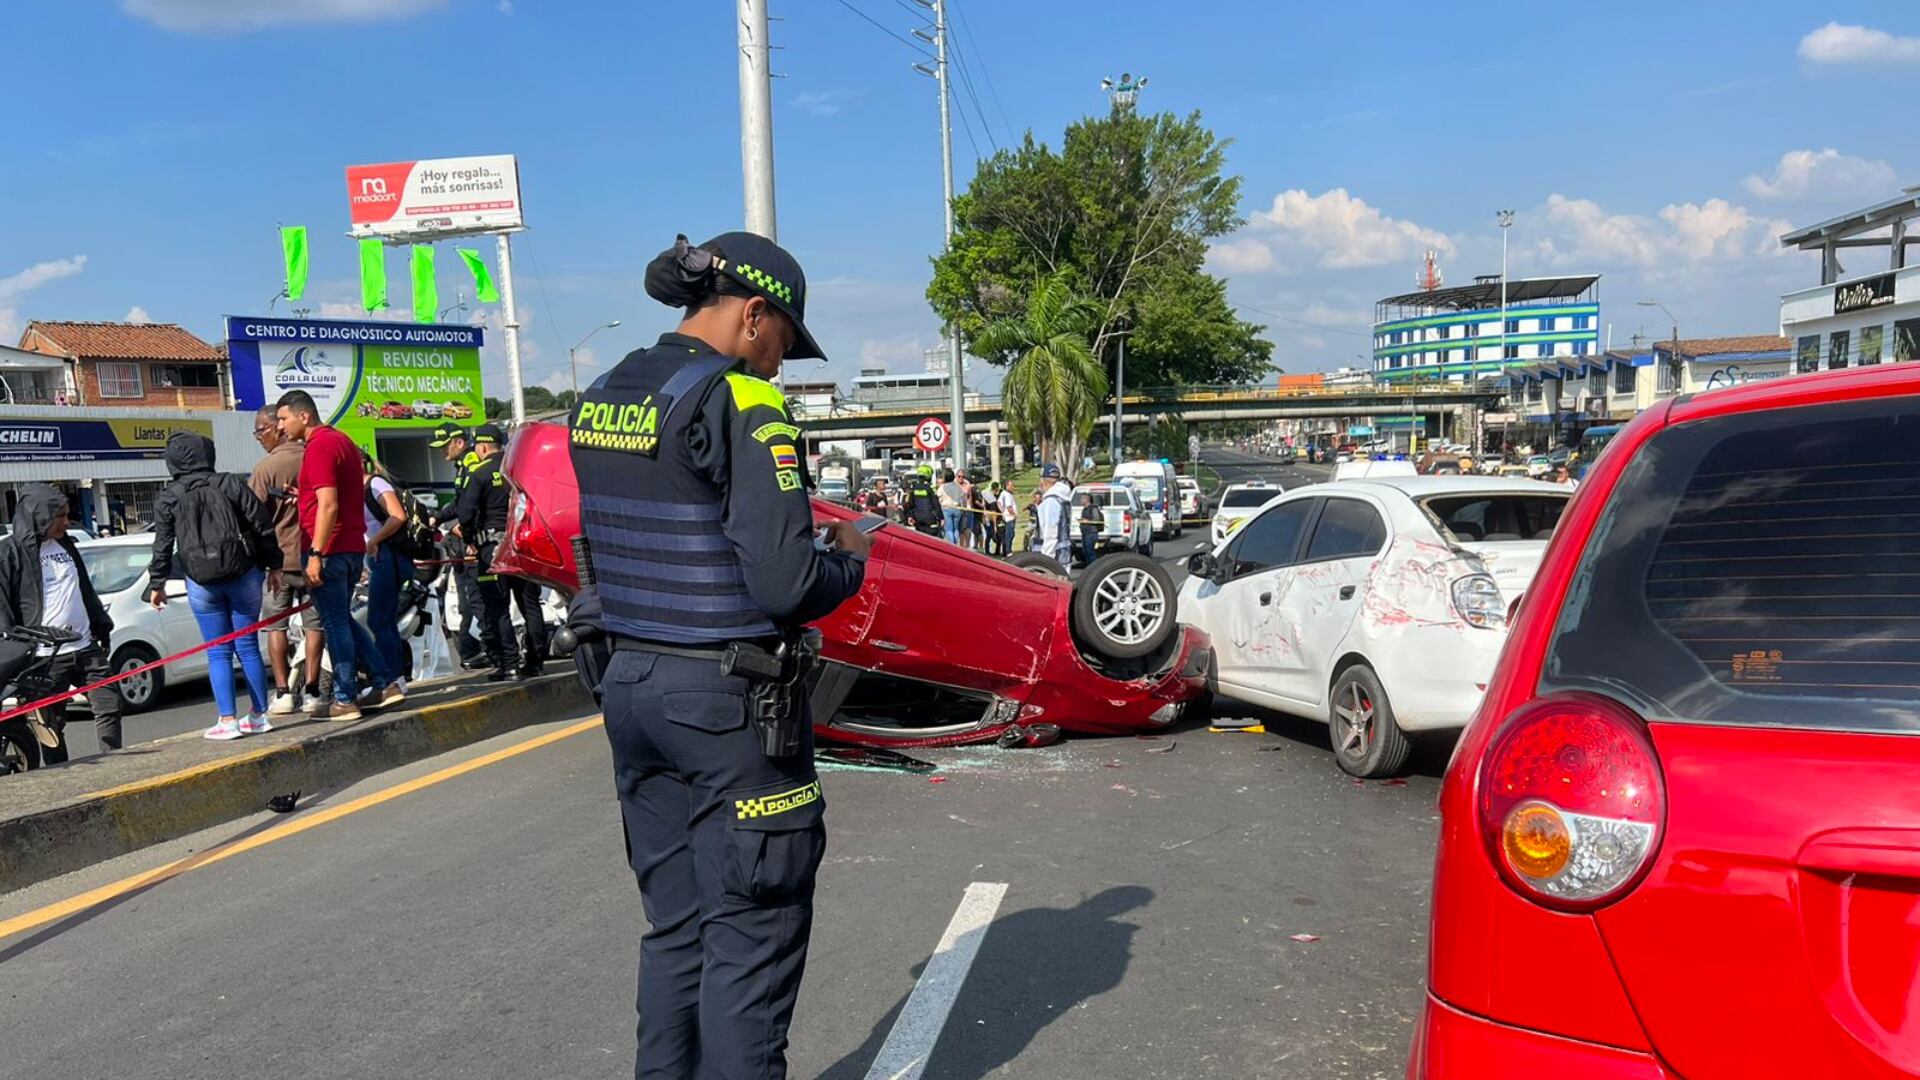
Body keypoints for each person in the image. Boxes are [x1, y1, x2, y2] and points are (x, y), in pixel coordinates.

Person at [570, 231, 869, 1080]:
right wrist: (851, 556)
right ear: (753, 314)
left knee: (678, 930)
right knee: (751, 938)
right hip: (728, 705)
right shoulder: (742, 401)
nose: (780, 365)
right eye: (781, 343)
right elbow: (784, 582)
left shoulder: (604, 393)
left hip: (630, 688)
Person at [276, 389, 405, 720]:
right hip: (350, 546)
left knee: (335, 624)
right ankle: (385, 682)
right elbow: (331, 497)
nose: (280, 427)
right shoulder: (343, 441)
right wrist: (303, 498)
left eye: (282, 418)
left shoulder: (318, 446)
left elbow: (329, 504)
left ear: (303, 416)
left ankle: (345, 697)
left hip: (329, 549)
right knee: (341, 619)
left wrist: (316, 552)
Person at [146, 431, 278, 740]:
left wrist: (158, 583)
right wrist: (274, 565)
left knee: (218, 652)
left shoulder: (169, 497)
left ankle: (227, 720)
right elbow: (261, 525)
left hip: (201, 581)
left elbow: (162, 545)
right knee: (248, 647)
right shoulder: (230, 483)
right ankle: (259, 715)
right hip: (243, 574)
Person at [0, 486, 120, 765]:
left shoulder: (66, 544)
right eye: (61, 516)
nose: (67, 522)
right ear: (41, 517)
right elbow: (3, 607)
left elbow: (84, 589)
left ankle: (116, 763)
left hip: (84, 645)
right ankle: (60, 774)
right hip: (45, 657)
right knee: (51, 725)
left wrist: (101, 624)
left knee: (109, 705)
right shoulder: (9, 553)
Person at [249, 405, 325, 714]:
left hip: (278, 564)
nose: (258, 438)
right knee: (315, 625)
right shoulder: (312, 456)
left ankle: (282, 693)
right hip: (312, 557)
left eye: (260, 431)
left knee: (275, 626)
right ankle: (312, 690)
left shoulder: (266, 468)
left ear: (274, 428)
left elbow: (252, 516)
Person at [452, 423, 541, 679]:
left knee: (497, 607)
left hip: (492, 548)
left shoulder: (479, 473)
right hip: (524, 545)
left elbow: (465, 514)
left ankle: (510, 664)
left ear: (481, 446)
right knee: (529, 603)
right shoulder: (519, 469)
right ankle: (536, 660)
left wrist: (470, 538)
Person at [428, 423, 486, 670]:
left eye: (445, 446)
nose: (442, 452)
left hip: (475, 543)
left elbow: (472, 504)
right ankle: (478, 651)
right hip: (464, 543)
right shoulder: (463, 465)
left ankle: (489, 649)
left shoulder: (472, 464)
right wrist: (439, 518)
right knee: (466, 602)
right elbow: (460, 503)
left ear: (459, 442)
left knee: (476, 601)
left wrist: (463, 528)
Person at [362, 453, 416, 686]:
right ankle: (396, 676)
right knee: (384, 620)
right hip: (378, 558)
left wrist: (375, 541)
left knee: (379, 620)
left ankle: (390, 678)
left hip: (388, 556)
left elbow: (397, 516)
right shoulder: (356, 489)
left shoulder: (375, 483)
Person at [1036, 463, 1074, 565]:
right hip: (1064, 554)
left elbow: (1050, 531)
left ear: (1043, 481)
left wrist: (1046, 561)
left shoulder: (1051, 501)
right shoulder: (1063, 498)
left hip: (1054, 556)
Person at [905, 466, 941, 535]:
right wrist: (941, 517)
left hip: (918, 520)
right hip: (931, 520)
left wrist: (910, 516)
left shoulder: (914, 487)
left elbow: (910, 504)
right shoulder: (931, 488)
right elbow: (936, 504)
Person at [937, 468, 964, 545]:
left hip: (946, 508)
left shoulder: (942, 487)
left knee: (949, 529)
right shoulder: (957, 486)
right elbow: (961, 496)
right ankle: (956, 544)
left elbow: (938, 496)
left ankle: (952, 545)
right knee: (956, 529)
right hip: (957, 508)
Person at [1078, 487, 1104, 567]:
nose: (1080, 500)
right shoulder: (1084, 509)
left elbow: (1096, 519)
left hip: (1091, 533)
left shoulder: (1093, 508)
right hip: (1085, 533)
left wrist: (1086, 521)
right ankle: (1089, 566)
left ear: (1087, 499)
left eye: (1082, 499)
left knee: (1090, 552)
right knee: (1086, 552)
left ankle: (1094, 567)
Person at [997, 481, 1018, 556]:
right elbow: (1009, 507)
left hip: (1006, 517)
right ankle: (1008, 552)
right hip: (1009, 518)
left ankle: (1006, 551)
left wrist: (1002, 511)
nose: (1013, 487)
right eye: (1012, 485)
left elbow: (998, 502)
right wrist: (1014, 514)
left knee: (1009, 534)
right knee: (1010, 534)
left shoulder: (1003, 493)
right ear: (1007, 486)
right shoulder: (1007, 495)